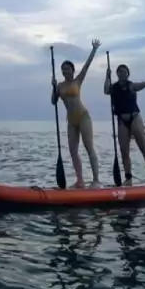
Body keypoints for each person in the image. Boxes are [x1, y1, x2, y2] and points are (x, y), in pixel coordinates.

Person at [52, 39, 102, 188]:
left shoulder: (77, 80)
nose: (65, 71)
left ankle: (96, 180)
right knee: (73, 151)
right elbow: (53, 101)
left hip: (83, 116)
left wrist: (94, 49)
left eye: (68, 69)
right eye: (63, 69)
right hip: (71, 121)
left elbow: (87, 66)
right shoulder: (59, 85)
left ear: (72, 70)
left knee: (89, 147)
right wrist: (53, 87)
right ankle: (80, 181)